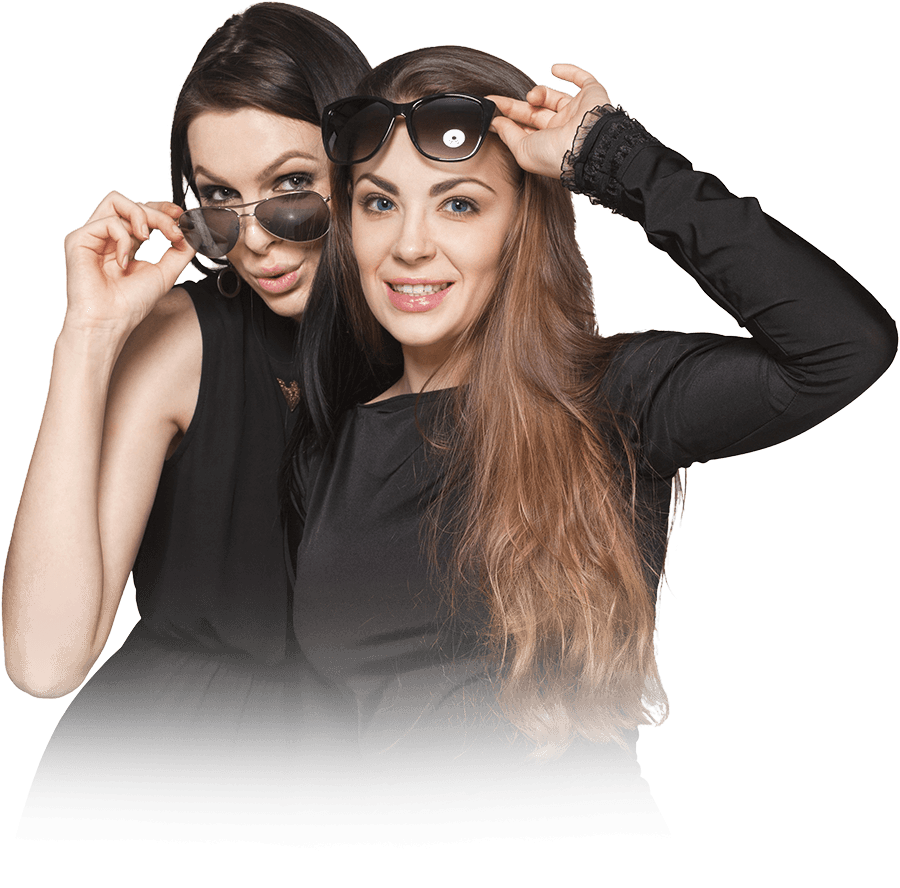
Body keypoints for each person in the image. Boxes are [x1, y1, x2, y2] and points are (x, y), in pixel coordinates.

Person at [278, 45, 897, 842]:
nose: (410, 246)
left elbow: (843, 346)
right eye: (379, 202)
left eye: (459, 204)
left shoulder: (610, 401)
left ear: (521, 226)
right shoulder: (325, 451)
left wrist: (611, 158)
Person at [9, 4, 383, 843]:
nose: (256, 243)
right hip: (177, 769)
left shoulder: (440, 327)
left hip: (392, 769)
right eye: (218, 200)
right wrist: (88, 339)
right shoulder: (181, 338)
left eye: (291, 187)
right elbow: (44, 661)